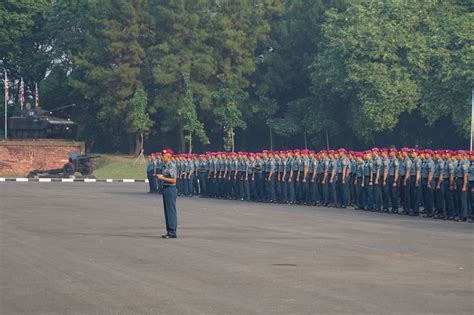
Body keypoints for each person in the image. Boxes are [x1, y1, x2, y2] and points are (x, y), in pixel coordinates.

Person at [155, 149, 178, 239]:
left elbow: (173, 180)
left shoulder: (171, 165)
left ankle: (172, 231)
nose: (162, 157)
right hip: (166, 188)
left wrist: (162, 178)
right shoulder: (165, 165)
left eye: (163, 156)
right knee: (167, 211)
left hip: (170, 188)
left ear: (168, 156)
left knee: (171, 210)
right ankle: (169, 231)